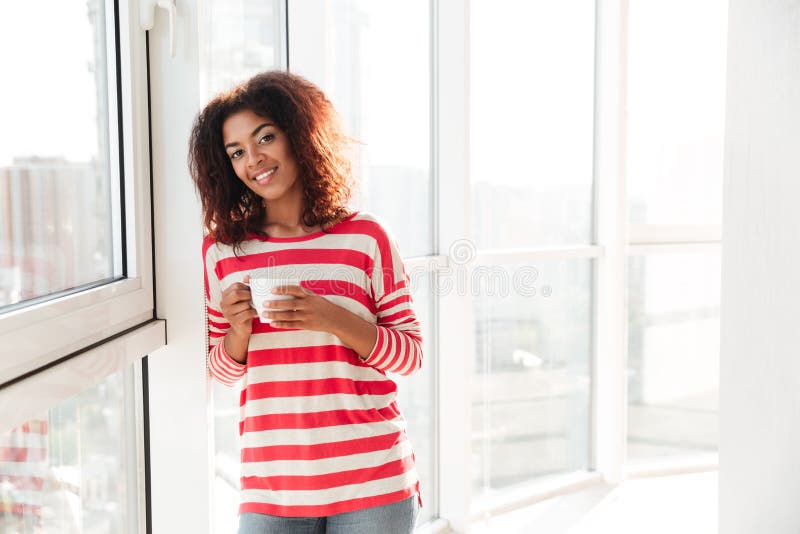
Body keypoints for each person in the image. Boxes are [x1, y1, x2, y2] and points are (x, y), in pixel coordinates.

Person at [189, 71, 423, 534]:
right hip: (271, 489)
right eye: (236, 152)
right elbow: (220, 371)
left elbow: (410, 356)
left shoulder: (365, 238)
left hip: (373, 480)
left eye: (265, 138)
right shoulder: (221, 252)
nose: (253, 160)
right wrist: (238, 332)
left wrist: (332, 317)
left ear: (299, 135)